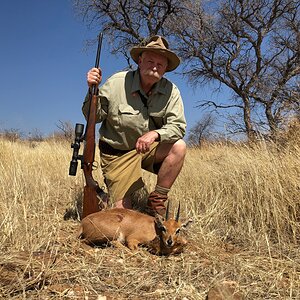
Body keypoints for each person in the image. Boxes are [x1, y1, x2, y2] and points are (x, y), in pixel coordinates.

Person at [82, 35, 186, 216]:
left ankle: (156, 202)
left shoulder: (171, 91)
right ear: (140, 61)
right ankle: (106, 196)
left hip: (145, 149)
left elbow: (178, 126)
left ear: (165, 69)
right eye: (150, 61)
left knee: (179, 146)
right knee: (122, 215)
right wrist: (92, 89)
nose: (154, 66)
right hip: (117, 154)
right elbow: (94, 116)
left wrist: (154, 134)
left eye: (160, 64)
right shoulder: (116, 82)